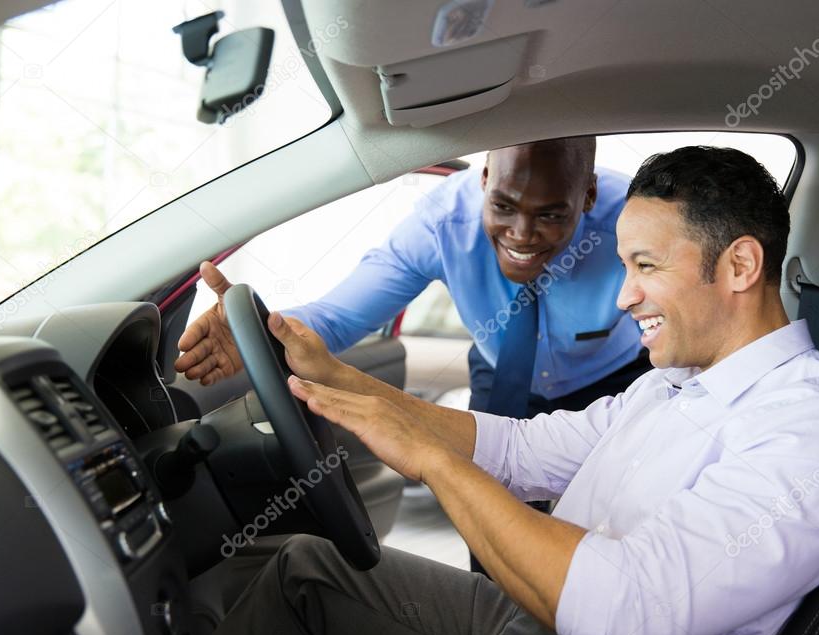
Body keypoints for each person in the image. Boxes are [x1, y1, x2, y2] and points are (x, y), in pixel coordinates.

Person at [197, 146, 819, 635]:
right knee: (301, 566)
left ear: (741, 267)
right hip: (540, 625)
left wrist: (431, 460)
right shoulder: (677, 385)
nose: (623, 297)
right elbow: (518, 449)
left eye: (646, 268)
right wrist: (337, 378)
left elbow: (620, 615)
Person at [175, 136, 646, 422]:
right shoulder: (440, 223)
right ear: (484, 179)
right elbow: (339, 318)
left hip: (614, 379)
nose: (521, 234)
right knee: (490, 524)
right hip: (501, 373)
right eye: (503, 206)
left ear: (586, 196)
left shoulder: (635, 222)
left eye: (549, 214)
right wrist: (259, 331)